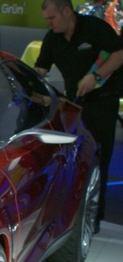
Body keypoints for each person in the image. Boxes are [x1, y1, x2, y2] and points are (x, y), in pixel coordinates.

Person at [35, 0, 123, 231]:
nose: (49, 23)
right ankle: (68, 218)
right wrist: (31, 87)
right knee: (73, 160)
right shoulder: (53, 38)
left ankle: (93, 218)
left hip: (102, 103)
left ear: (66, 11)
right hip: (74, 105)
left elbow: (119, 53)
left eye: (52, 18)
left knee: (99, 159)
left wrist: (96, 76)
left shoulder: (94, 28)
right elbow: (40, 70)